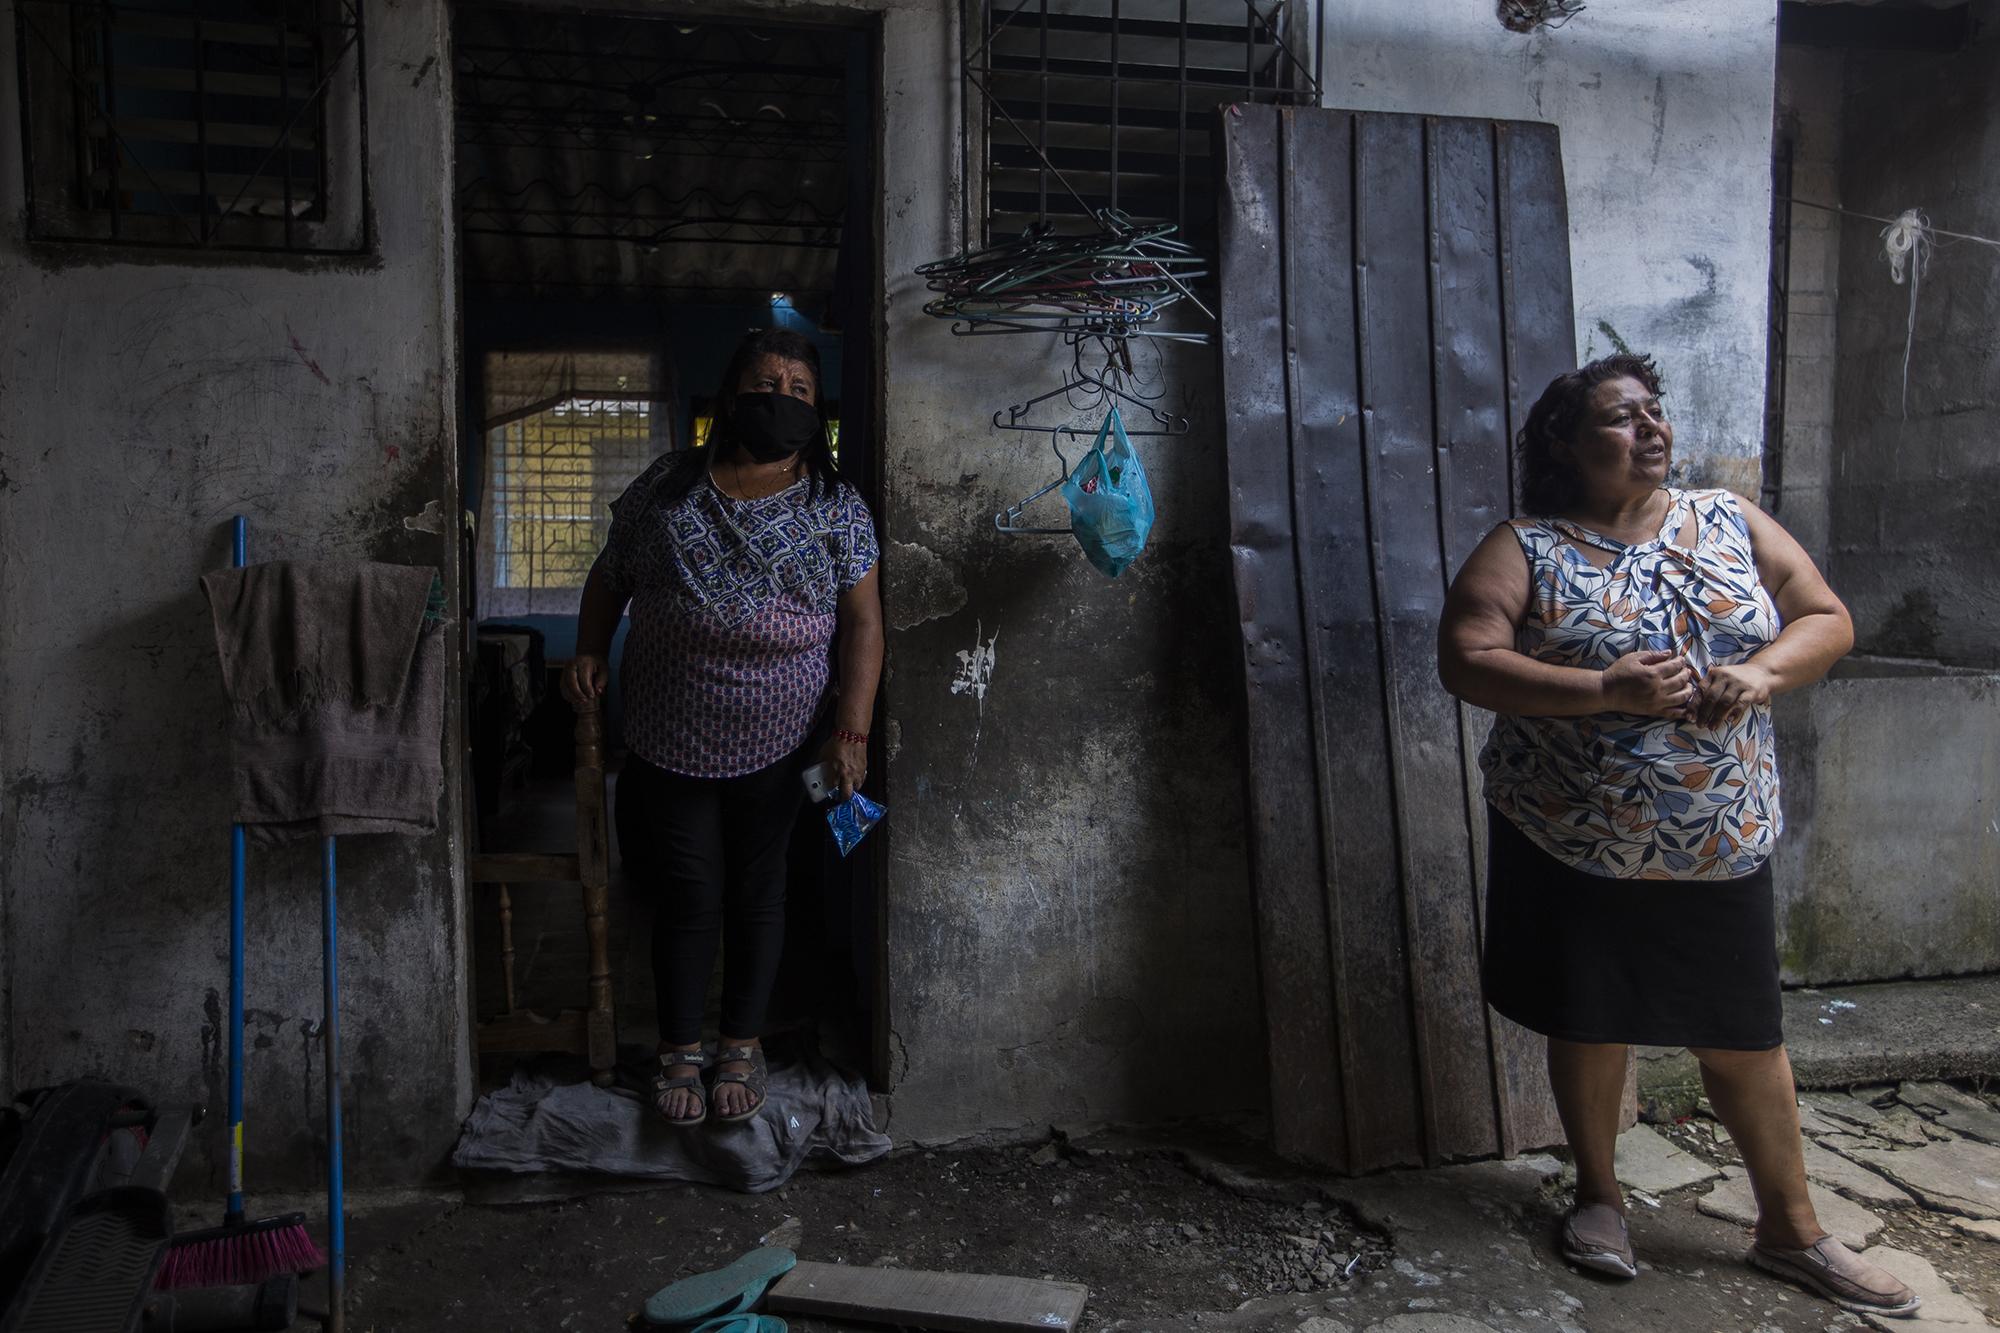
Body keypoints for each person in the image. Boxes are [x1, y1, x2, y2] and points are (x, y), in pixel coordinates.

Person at [1436, 354, 1918, 1318]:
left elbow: (1826, 616)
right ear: (1569, 446)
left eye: (1655, 412)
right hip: (1573, 830)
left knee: (1742, 1032)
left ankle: (1792, 1228)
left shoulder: (1730, 519)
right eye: (1622, 417)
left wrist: (1768, 672)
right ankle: (1600, 1199)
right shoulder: (1526, 545)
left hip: (1718, 831)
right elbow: (1467, 657)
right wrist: (1601, 690)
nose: (1650, 428)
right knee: (1593, 1011)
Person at [562, 328, 882, 1129]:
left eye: (800, 388)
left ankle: (740, 1043)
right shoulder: (668, 486)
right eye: (765, 381)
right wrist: (590, 648)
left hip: (781, 739)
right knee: (688, 890)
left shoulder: (836, 507)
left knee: (760, 890)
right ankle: (679, 1049)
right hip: (670, 730)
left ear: (818, 408)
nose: (781, 396)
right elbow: (610, 575)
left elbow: (864, 624)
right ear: (730, 396)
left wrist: (851, 729)